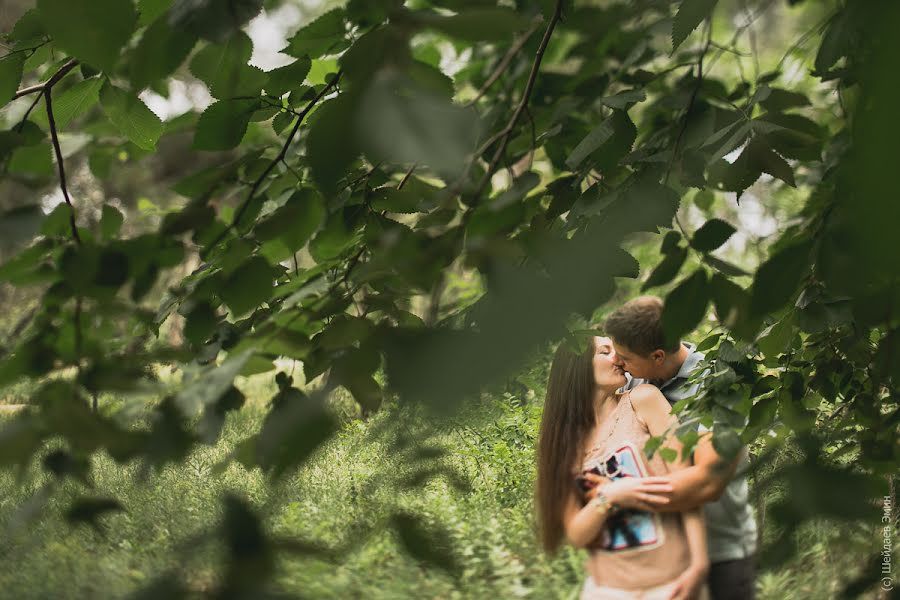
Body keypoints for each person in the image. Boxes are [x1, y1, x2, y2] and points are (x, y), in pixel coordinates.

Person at [599, 296, 758, 600]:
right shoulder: (633, 380)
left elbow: (708, 481)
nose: (618, 363)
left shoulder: (719, 384)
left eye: (625, 357)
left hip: (720, 552)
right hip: (659, 551)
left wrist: (619, 497)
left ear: (657, 356)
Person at [536, 336, 710, 600]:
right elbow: (576, 534)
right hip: (607, 589)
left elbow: (687, 484)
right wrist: (612, 496)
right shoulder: (565, 445)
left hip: (669, 584)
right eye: (605, 352)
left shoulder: (643, 400)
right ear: (577, 366)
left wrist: (699, 564)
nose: (617, 358)